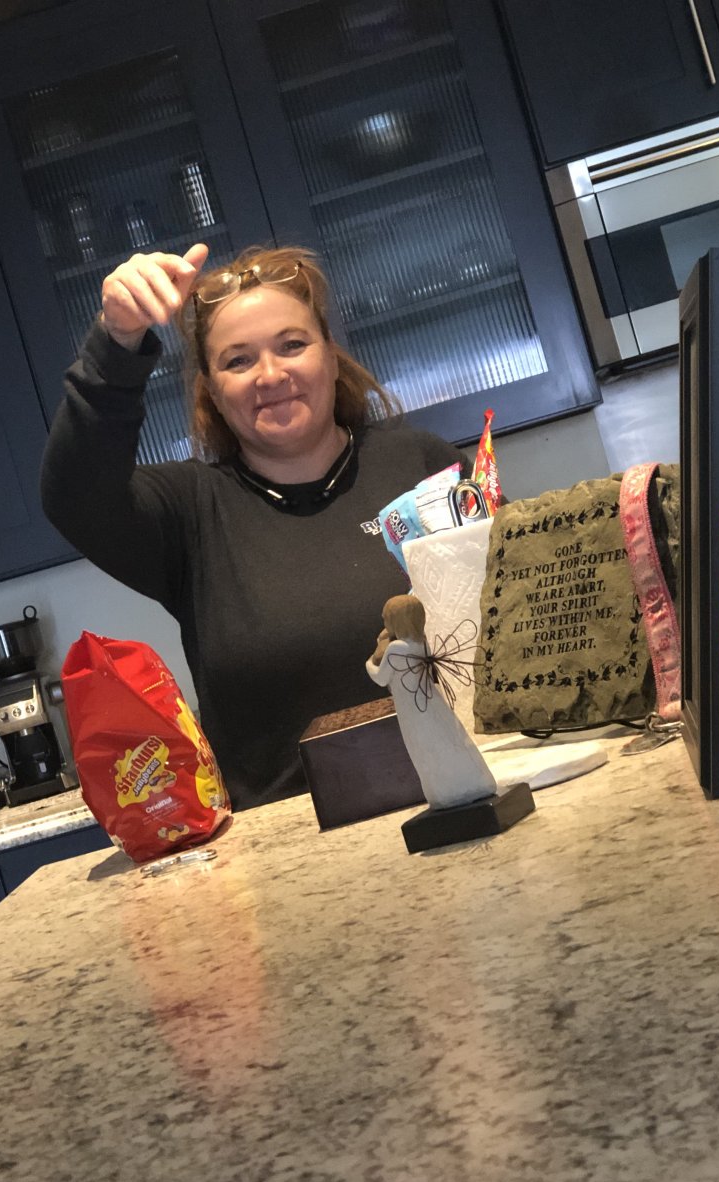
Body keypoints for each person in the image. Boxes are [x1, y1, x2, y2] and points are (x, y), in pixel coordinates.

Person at [41, 242, 467, 810]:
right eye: (238, 361)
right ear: (213, 391)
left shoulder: (422, 465)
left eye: (292, 345)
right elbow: (74, 497)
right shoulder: (189, 512)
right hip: (293, 847)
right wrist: (115, 342)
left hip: (469, 801)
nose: (270, 375)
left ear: (330, 356)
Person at [366, 595, 496, 809]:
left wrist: (369, 662)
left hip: (411, 707)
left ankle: (446, 793)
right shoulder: (421, 642)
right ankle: (473, 783)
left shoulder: (396, 648)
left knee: (426, 748)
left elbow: (380, 677)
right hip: (430, 701)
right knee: (446, 738)